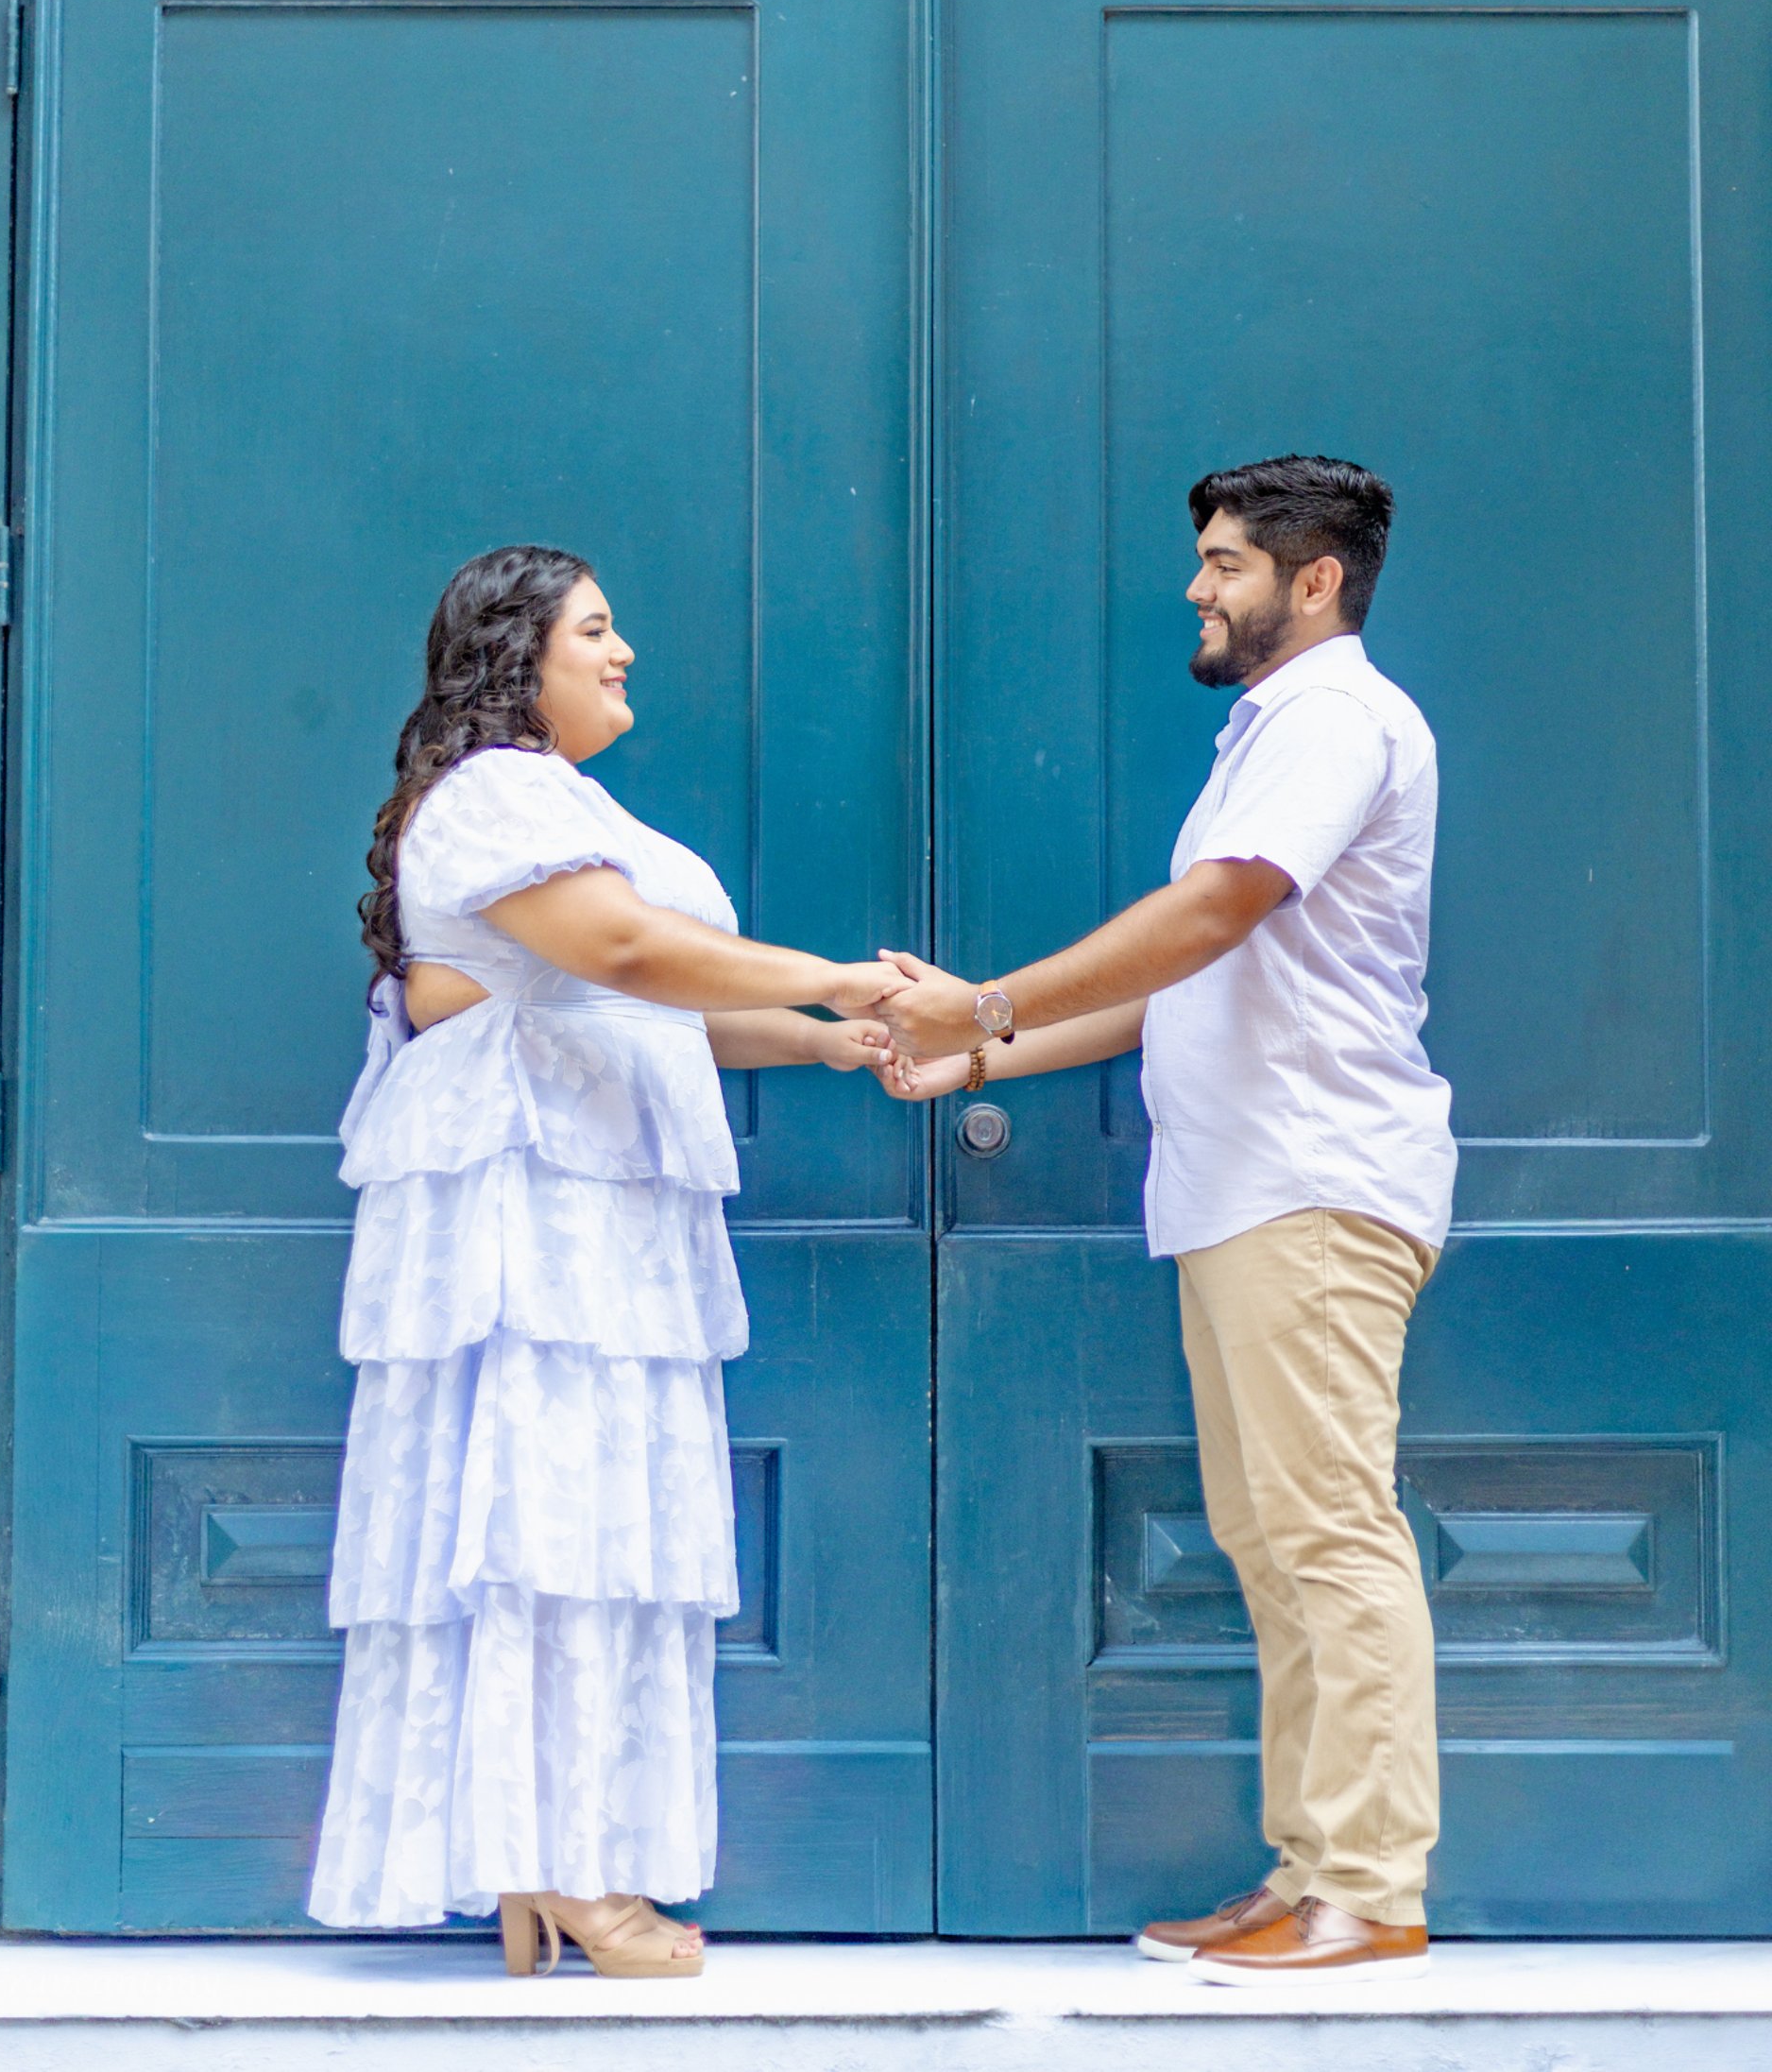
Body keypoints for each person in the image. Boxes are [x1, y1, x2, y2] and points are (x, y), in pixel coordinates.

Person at [879, 455, 1455, 1986]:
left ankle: (1371, 1886)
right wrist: (982, 1054)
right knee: (1277, 1543)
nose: (1197, 587)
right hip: (1248, 1189)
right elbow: (1183, 978)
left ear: (1312, 579)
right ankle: (1311, 1869)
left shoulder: (1332, 721)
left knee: (1327, 1534)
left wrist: (987, 996)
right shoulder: (1274, 733)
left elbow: (1215, 913)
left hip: (1311, 1180)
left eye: (1222, 562)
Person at [308, 544, 905, 1978]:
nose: (623, 649)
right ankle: (560, 1860)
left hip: (601, 1215)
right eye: (596, 627)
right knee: (550, 1521)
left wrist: (835, 1041)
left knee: (585, 1528)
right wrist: (848, 973)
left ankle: (555, 1859)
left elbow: (646, 1005)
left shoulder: (561, 804)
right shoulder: (499, 795)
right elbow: (626, 953)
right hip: (539, 1225)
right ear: (519, 658)